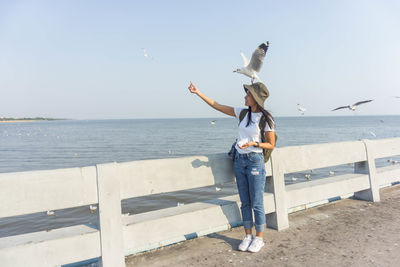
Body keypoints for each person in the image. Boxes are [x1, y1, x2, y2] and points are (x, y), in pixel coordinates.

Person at [187, 81, 275, 253]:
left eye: (248, 94)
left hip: (255, 161)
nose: (245, 96)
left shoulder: (266, 119)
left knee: (256, 203)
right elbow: (217, 106)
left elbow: (271, 144)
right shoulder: (242, 113)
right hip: (239, 161)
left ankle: (259, 238)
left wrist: (253, 143)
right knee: (245, 202)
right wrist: (198, 92)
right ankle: (247, 235)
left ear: (255, 98)